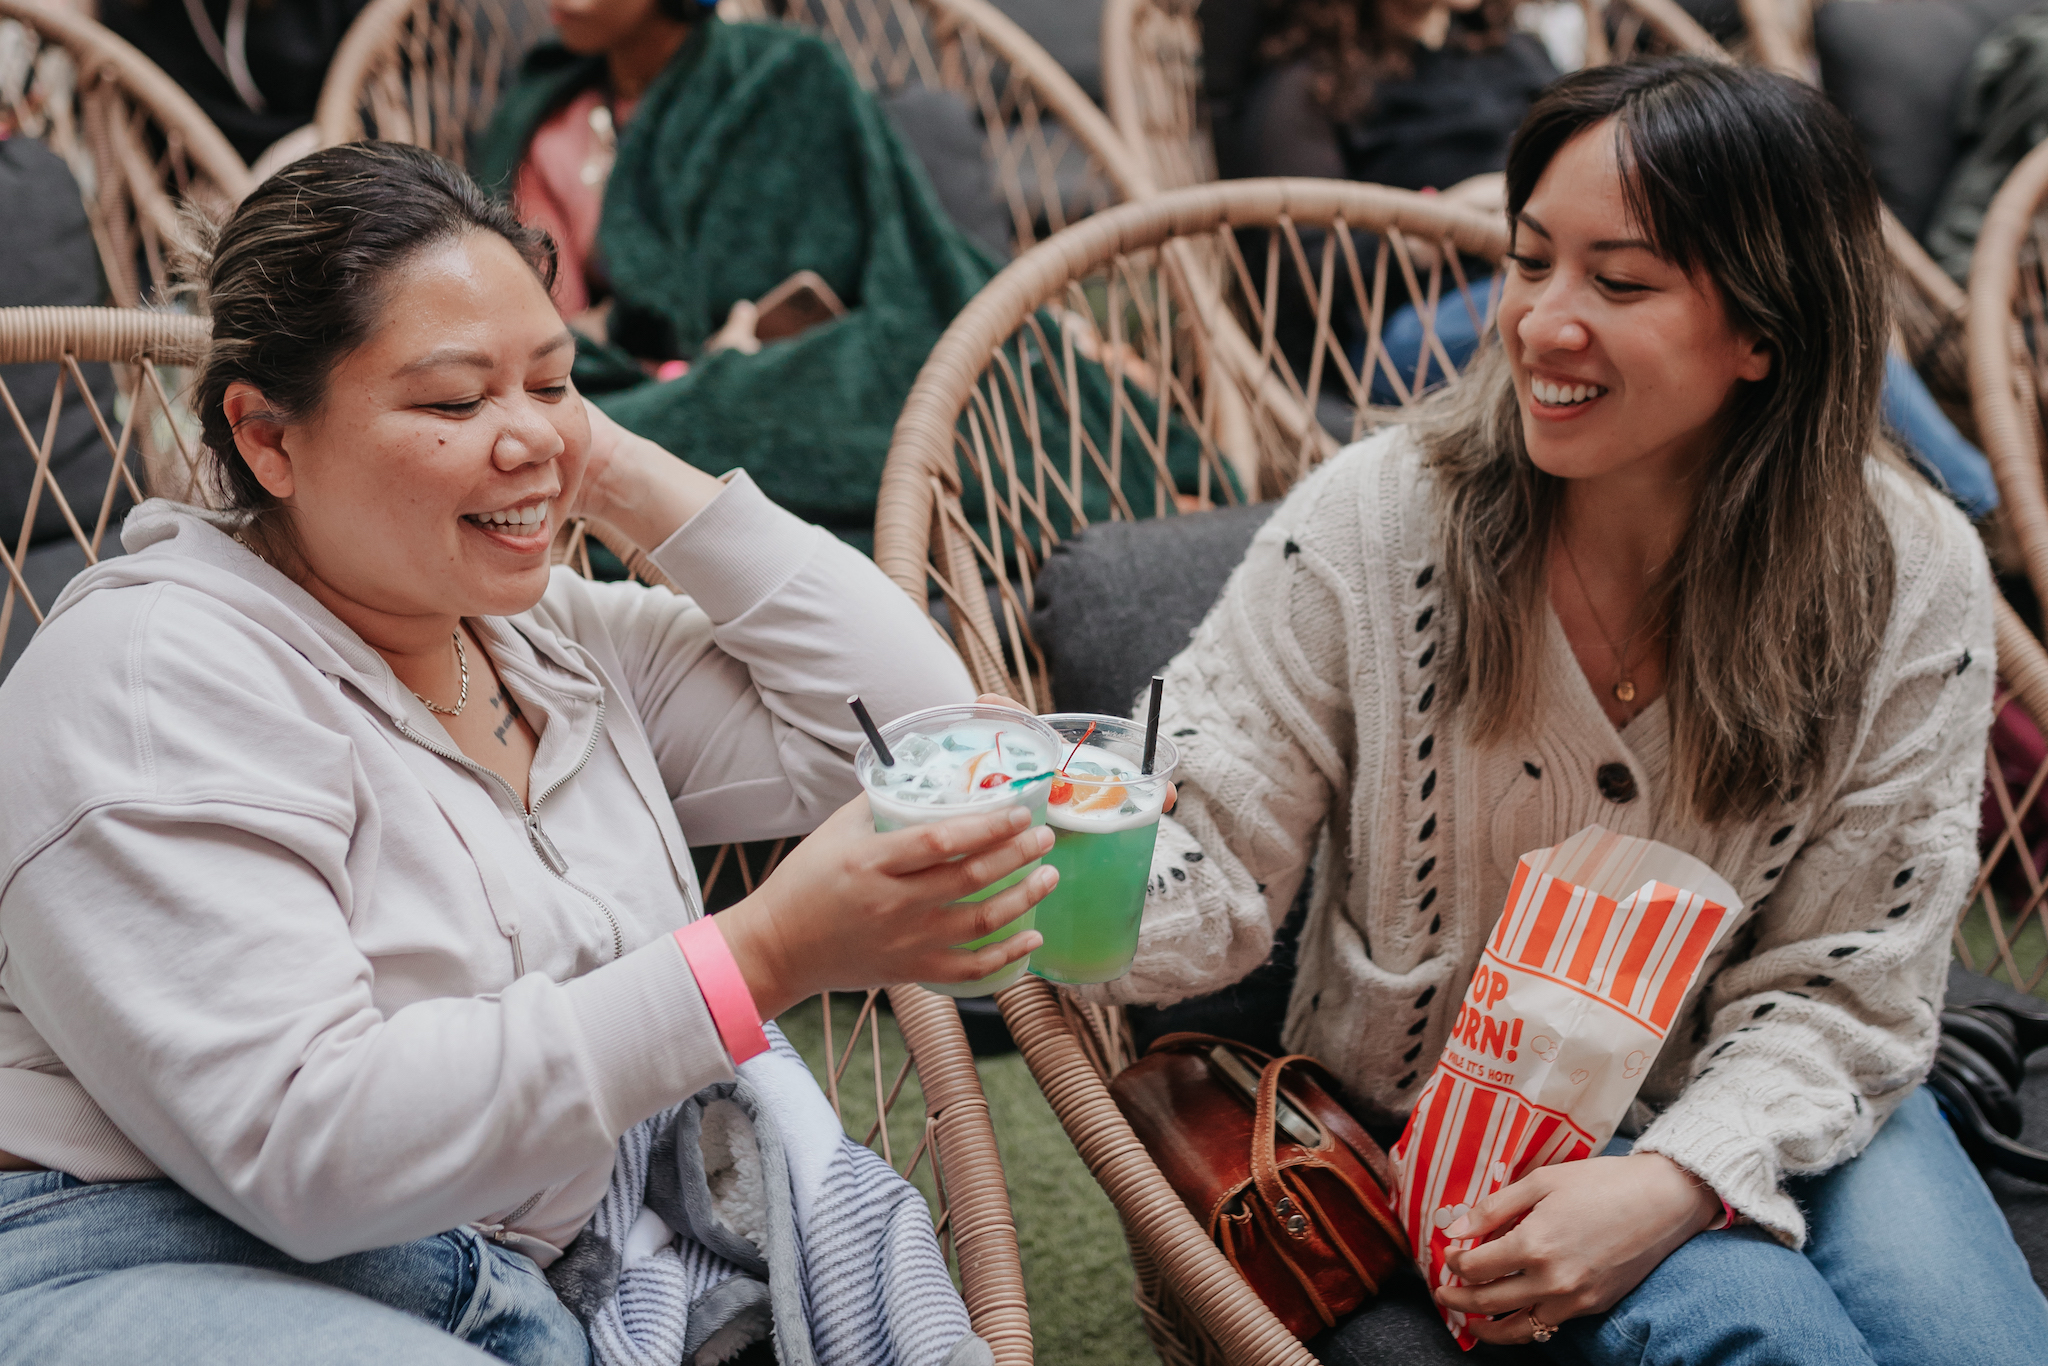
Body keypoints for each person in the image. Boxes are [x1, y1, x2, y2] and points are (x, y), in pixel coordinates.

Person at [0, 141, 1055, 1364]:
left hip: (506, 1270)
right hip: (143, 1246)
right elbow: (309, 1149)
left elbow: (901, 726)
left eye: (553, 381)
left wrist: (596, 462)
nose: (528, 436)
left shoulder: (537, 635)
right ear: (267, 439)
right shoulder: (150, 679)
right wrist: (761, 955)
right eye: (452, 400)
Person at [1077, 60, 2048, 1361]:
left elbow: (1855, 988)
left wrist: (1677, 1176)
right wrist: (1051, 860)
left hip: (1783, 1071)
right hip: (1470, 1122)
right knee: (1769, 1341)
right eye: (1531, 262)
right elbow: (1210, 843)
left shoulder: (1909, 571)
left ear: (1765, 329)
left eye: (1621, 281)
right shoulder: (1377, 518)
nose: (1540, 322)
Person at [468, 0, 999, 548]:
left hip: (798, 359)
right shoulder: (545, 111)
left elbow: (880, 272)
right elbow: (538, 321)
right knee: (548, 439)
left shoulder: (787, 74)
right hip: (619, 378)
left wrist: (731, 356)